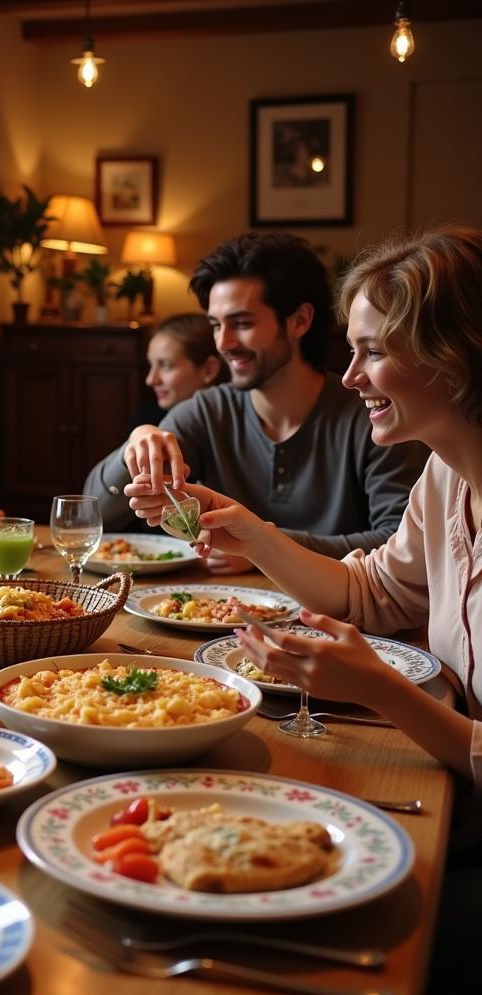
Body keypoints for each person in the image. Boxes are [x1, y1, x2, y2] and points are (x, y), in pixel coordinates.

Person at [127, 225, 482, 784]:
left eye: (375, 352)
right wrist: (253, 535)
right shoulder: (445, 479)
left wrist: (378, 688)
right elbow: (374, 593)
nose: (351, 375)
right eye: (352, 351)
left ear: (454, 353)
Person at [85, 232, 428, 569]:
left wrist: (260, 548)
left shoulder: (373, 415)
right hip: (221, 615)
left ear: (299, 321)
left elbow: (401, 544)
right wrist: (137, 444)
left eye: (242, 323)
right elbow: (91, 514)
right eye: (216, 325)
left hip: (338, 617)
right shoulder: (207, 411)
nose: (224, 343)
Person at [128, 313, 227, 430]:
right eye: (151, 365)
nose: (150, 380)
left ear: (209, 370)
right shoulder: (146, 422)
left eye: (166, 365)